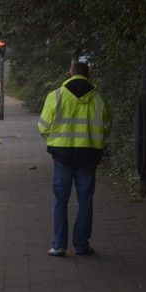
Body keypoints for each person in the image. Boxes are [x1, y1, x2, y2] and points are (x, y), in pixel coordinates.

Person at [38, 61, 112, 256]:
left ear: (69, 74)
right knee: (85, 201)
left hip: (63, 156)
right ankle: (81, 245)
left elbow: (43, 127)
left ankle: (59, 245)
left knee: (60, 200)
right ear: (89, 74)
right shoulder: (100, 98)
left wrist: (58, 140)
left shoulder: (55, 96)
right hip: (89, 155)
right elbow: (107, 127)